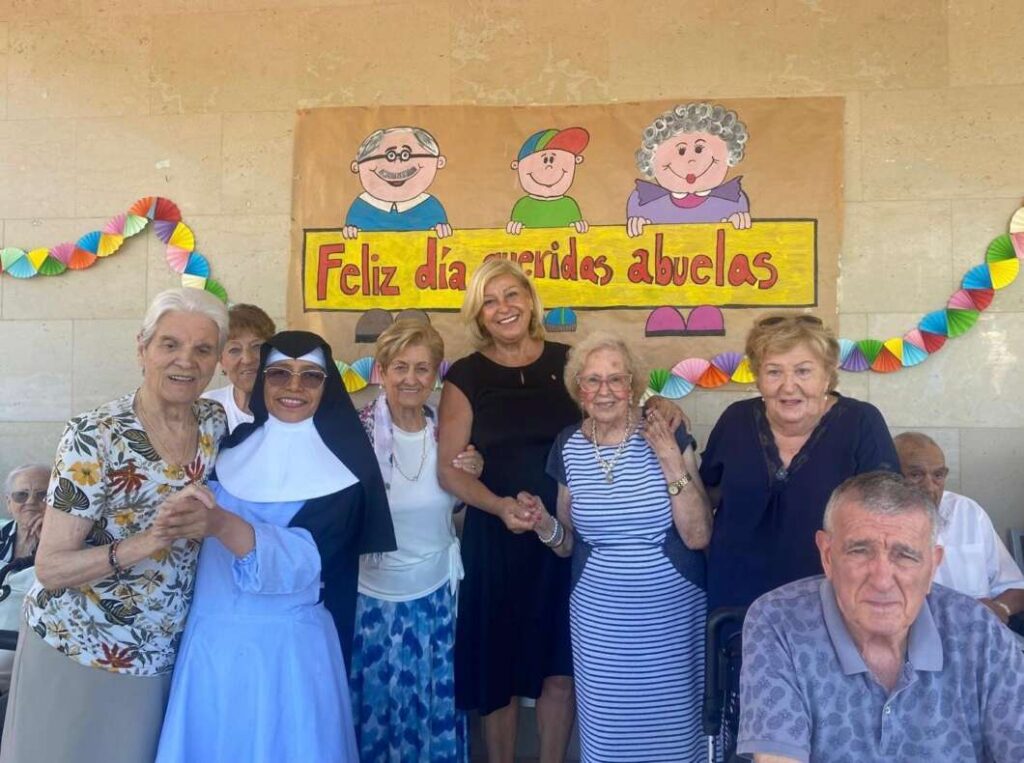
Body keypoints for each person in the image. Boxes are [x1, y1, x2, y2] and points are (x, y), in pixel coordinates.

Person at [438, 258, 687, 762]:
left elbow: (613, 401)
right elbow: (450, 470)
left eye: (512, 295)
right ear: (478, 314)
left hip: (566, 539)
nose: (503, 308)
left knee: (561, 668)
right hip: (497, 538)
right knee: (499, 671)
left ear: (531, 301)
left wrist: (660, 405)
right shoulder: (466, 375)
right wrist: (499, 506)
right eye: (489, 301)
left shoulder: (568, 361)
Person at [0, 287, 229, 763]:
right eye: (170, 344)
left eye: (202, 349)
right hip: (78, 644)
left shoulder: (213, 422)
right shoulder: (94, 435)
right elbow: (51, 567)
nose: (186, 361)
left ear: (216, 361)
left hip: (162, 650)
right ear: (142, 348)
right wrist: (150, 540)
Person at [157, 330, 395, 762]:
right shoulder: (228, 448)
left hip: (288, 654)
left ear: (327, 386)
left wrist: (221, 524)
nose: (294, 386)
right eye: (280, 373)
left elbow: (306, 565)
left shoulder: (346, 471)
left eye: (311, 376)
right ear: (262, 380)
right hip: (211, 643)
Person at [738, 471, 1024, 762]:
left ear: (932, 566)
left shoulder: (979, 631)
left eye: (905, 556)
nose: (882, 580)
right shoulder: (779, 622)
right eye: (860, 551)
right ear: (827, 556)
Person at [531, 332, 712, 761]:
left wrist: (669, 458)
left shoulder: (667, 430)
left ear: (633, 384)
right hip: (599, 620)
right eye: (592, 380)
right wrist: (542, 525)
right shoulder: (567, 445)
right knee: (611, 732)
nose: (605, 390)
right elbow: (568, 543)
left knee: (676, 729)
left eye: (616, 379)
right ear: (578, 389)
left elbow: (699, 535)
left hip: (671, 612)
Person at [701, 313, 899, 613]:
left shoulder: (861, 422)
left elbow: (889, 515)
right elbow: (707, 493)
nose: (788, 386)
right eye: (774, 372)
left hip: (828, 603)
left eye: (803, 371)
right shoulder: (736, 420)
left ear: (827, 375)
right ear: (757, 377)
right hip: (736, 602)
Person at [350, 319, 481, 762]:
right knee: (377, 711)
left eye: (422, 368)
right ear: (382, 370)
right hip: (373, 601)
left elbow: (455, 505)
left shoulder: (450, 432)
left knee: (432, 710)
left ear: (435, 375)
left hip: (435, 600)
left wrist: (473, 472)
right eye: (400, 367)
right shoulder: (356, 433)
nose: (411, 379)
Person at [894, 432, 1024, 624]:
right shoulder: (875, 523)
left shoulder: (968, 512)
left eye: (938, 475)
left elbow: (1016, 588)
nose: (930, 487)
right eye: (915, 475)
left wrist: (999, 608)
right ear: (891, 475)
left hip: (978, 633)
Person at [626, 101, 751, 237]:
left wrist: (739, 224)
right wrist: (637, 225)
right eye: (681, 151)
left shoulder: (733, 200)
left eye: (699, 149)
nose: (691, 160)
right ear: (651, 159)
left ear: (730, 154)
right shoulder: (642, 202)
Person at [343, 125, 453, 238]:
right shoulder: (361, 207)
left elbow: (442, 242)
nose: (397, 164)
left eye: (406, 155)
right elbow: (352, 241)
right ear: (356, 166)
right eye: (390, 155)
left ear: (439, 162)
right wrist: (350, 232)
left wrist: (442, 231)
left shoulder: (431, 207)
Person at [0, 465, 47, 694]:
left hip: (29, 666)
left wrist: (47, 546)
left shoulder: (66, 546)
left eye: (42, 495)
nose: (30, 502)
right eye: (21, 495)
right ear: (9, 503)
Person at [203, 303, 276, 432]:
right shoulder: (206, 409)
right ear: (220, 359)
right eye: (234, 350)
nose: (248, 359)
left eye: (257, 347)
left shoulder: (292, 409)